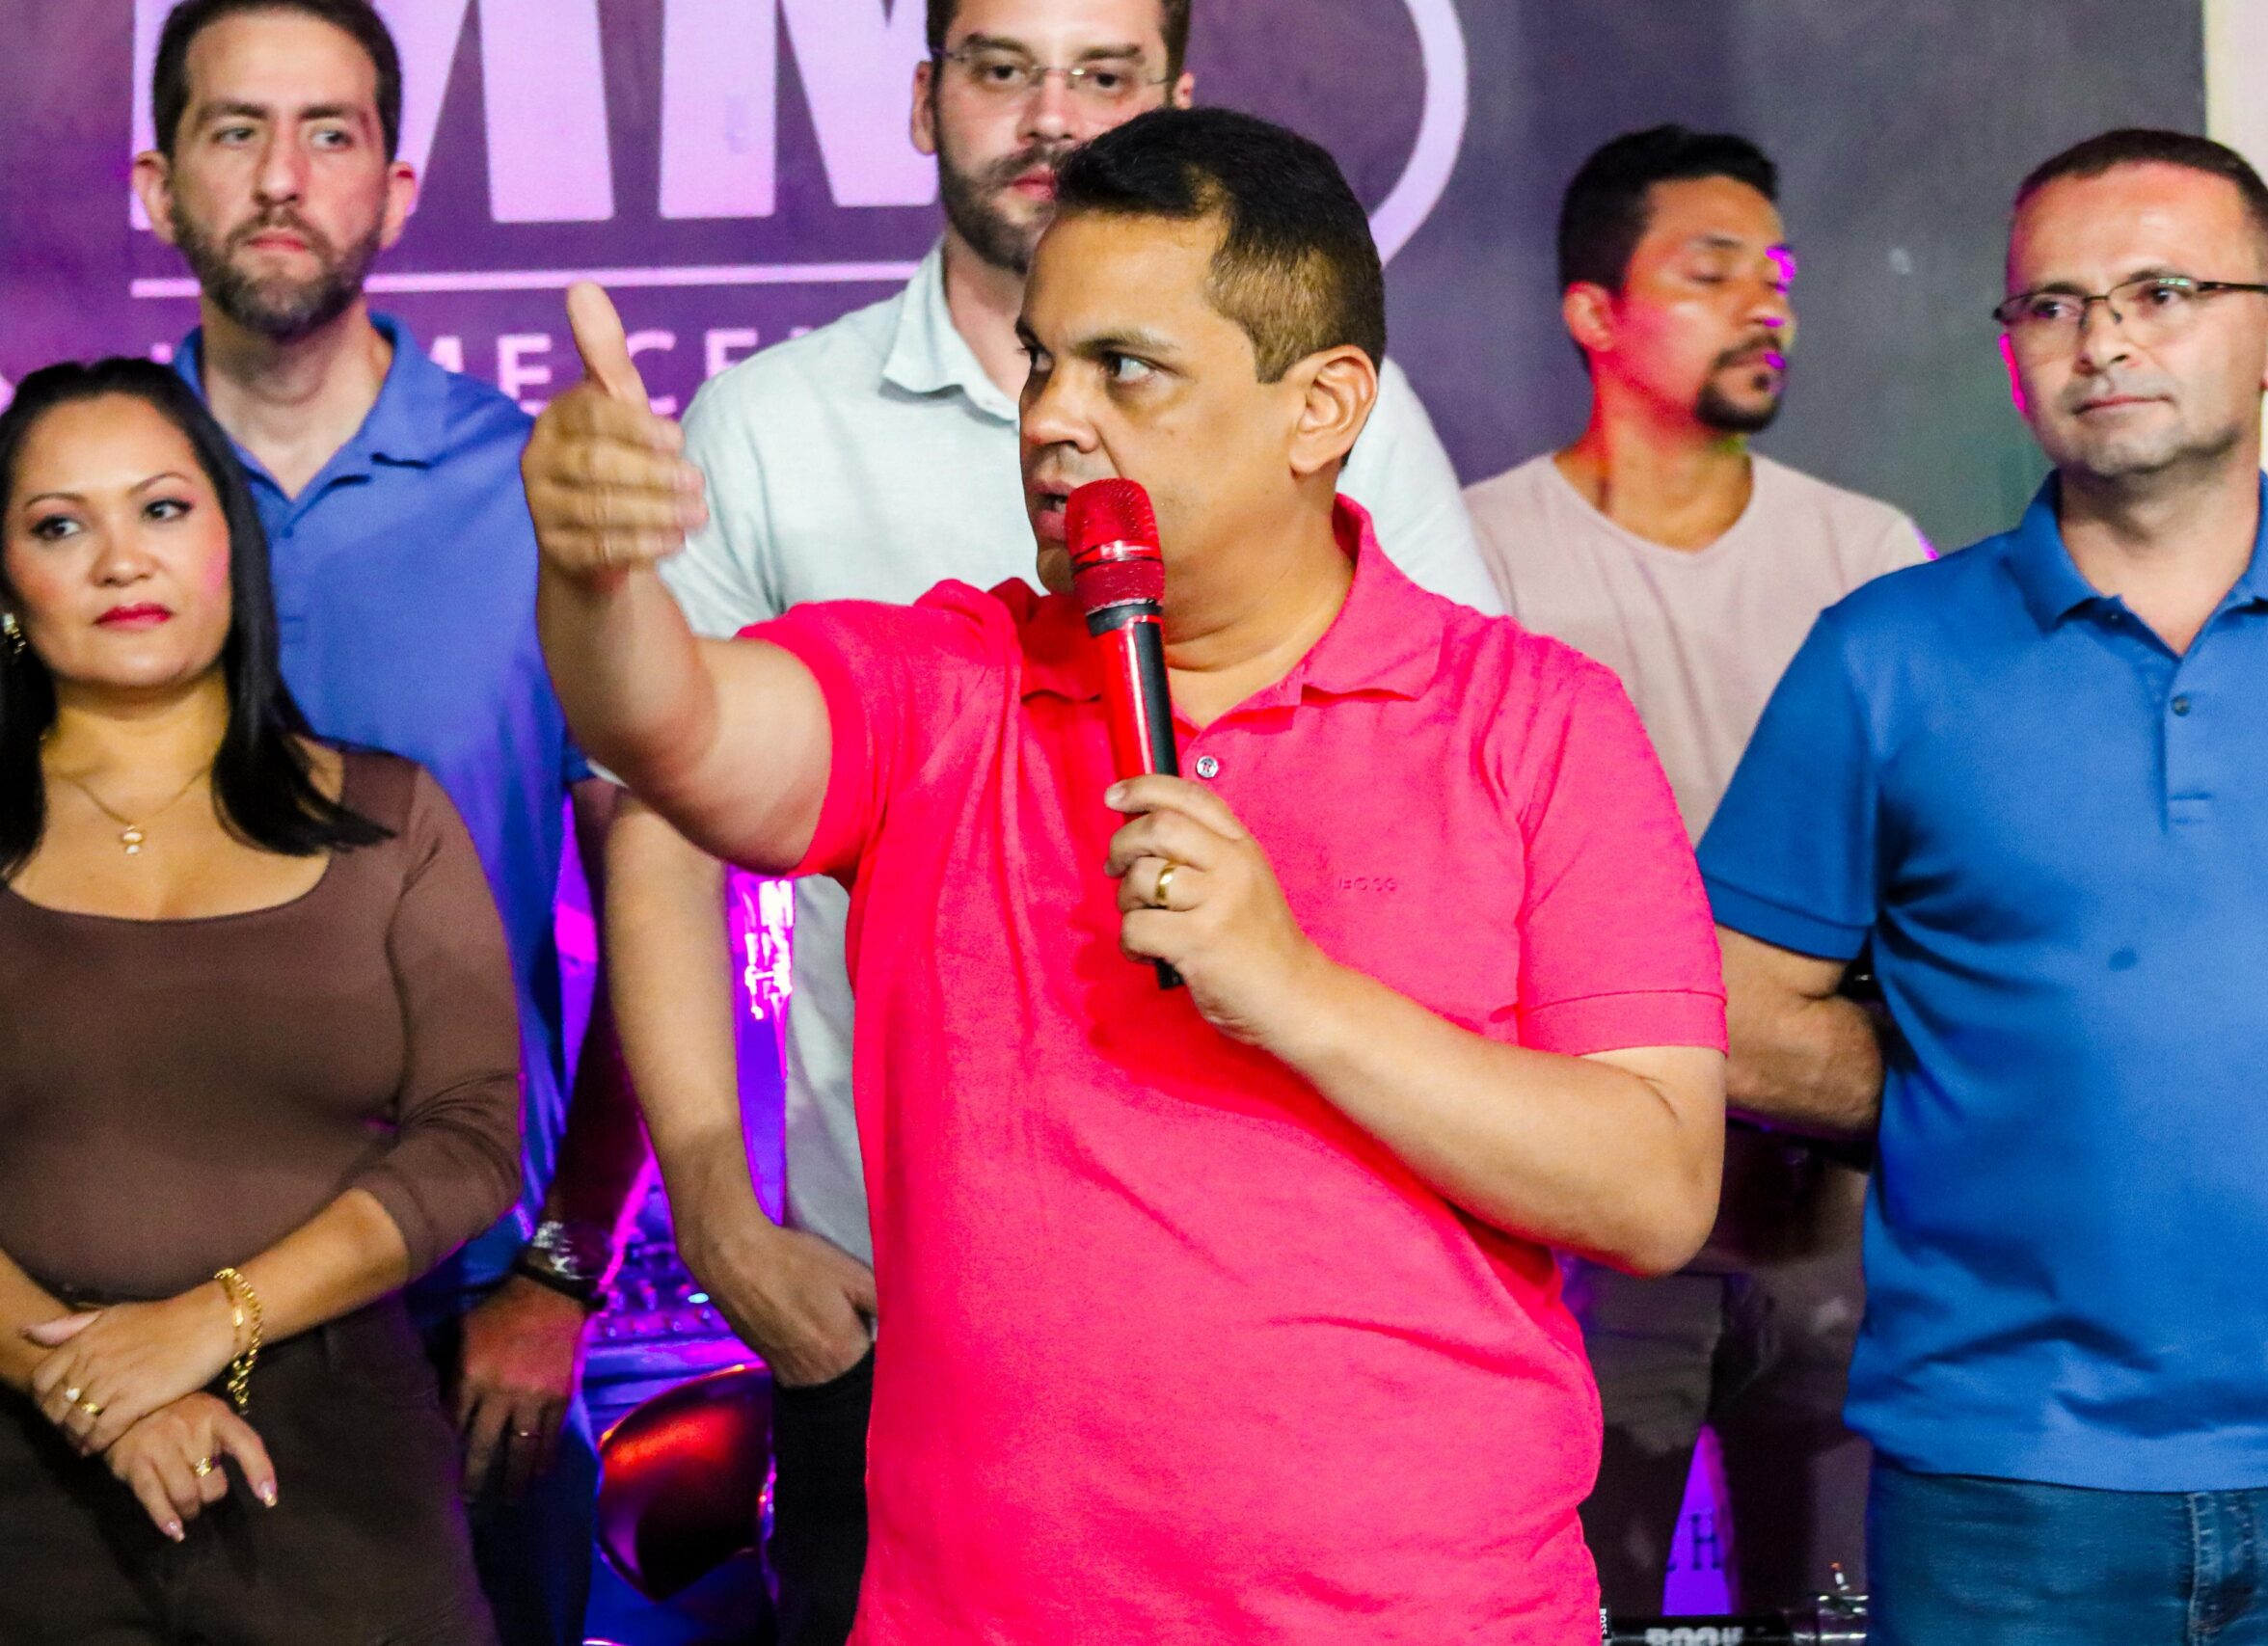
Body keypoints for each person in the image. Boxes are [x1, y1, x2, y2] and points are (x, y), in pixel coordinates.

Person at [526, 106, 1728, 1642]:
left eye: (1125, 370)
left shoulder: (1533, 720)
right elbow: (676, 728)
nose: (1050, 419)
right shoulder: (948, 682)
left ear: (1322, 408)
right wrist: (594, 575)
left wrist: (1291, 989)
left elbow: (1655, 1187)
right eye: (1042, 361)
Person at [1700, 127, 2268, 1644]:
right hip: (2002, 1494)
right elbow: (1726, 1003)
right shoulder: (1885, 653)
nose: (2103, 338)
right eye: (2051, 304)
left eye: (2162, 291)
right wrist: (1978, 1088)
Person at [133, 6, 648, 1639]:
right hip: (119, 1318)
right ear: (156, 183)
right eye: (235, 130)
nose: (282, 177)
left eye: (331, 133)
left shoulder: (536, 497)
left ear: (398, 187)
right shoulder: (77, 513)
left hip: (460, 1317)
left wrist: (560, 1268)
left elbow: (662, 910)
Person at [1466, 125, 1928, 1613]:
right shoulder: (1473, 557)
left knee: (1848, 1611)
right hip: (1582, 1226)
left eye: (1775, 272)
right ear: (1594, 313)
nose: (1765, 302)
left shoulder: (1869, 558)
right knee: (1572, 1607)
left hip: (1836, 1226)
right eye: (1712, 269)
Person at [0, 358, 518, 1645]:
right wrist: (99, 1391)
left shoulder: (389, 819)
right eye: (60, 526)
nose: (122, 560)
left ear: (232, 543)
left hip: (340, 1483)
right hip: (25, 1481)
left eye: (162, 508)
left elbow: (473, 1139)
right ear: (6, 585)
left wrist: (202, 1329)